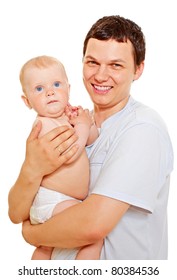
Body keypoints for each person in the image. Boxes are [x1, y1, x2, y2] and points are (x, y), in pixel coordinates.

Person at [8, 15, 174, 260]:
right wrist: (33, 168)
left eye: (116, 65)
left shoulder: (142, 128)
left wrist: (32, 234)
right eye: (92, 62)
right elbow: (15, 212)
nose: (100, 75)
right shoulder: (72, 121)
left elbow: (92, 226)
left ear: (138, 69)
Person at [13, 55, 102, 260]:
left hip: (63, 200)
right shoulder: (42, 125)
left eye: (56, 84)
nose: (50, 92)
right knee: (92, 237)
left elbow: (91, 139)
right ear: (27, 101)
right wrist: (81, 125)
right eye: (39, 89)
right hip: (52, 200)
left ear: (68, 90)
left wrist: (85, 122)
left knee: (47, 248)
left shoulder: (66, 119)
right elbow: (69, 154)